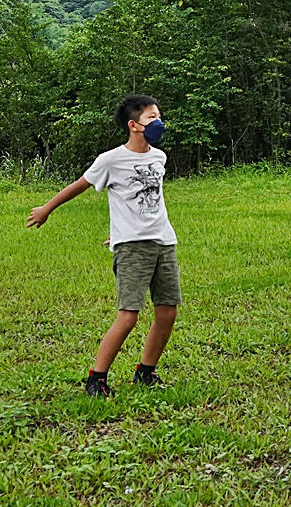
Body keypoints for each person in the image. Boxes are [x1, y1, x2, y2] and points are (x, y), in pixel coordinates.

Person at [27, 94, 180, 396]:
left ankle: (146, 372)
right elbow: (79, 185)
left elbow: (144, 202)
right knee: (129, 315)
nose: (158, 122)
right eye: (152, 117)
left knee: (167, 312)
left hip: (164, 241)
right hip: (133, 248)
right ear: (134, 125)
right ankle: (97, 378)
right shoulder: (111, 160)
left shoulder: (159, 158)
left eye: (158, 116)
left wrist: (119, 228)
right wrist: (47, 208)